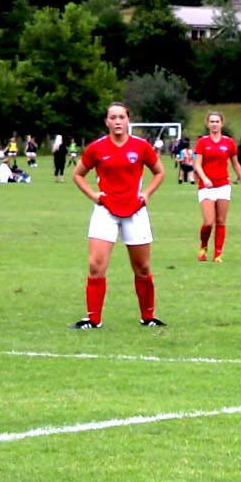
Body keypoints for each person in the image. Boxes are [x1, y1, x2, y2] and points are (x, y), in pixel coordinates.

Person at [72, 100, 165, 329]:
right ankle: (93, 320)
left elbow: (159, 172)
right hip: (106, 211)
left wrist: (146, 194)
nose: (117, 121)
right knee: (96, 266)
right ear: (107, 121)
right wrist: (93, 195)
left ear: (128, 120)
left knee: (142, 268)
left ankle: (148, 317)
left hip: (135, 211)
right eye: (112, 118)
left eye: (121, 117)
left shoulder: (141, 146)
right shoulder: (97, 148)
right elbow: (78, 174)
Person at [193, 109, 241, 262]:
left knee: (221, 221)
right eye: (212, 121)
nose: (215, 124)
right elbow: (197, 164)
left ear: (222, 123)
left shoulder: (228, 142)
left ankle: (218, 254)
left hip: (223, 185)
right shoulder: (202, 142)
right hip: (206, 187)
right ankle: (203, 246)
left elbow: (236, 165)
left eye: (217, 121)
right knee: (209, 222)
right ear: (207, 124)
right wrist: (205, 179)